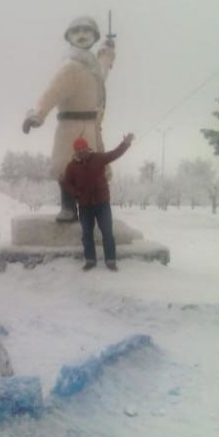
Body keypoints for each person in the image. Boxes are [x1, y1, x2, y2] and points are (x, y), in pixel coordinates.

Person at [22, 16, 116, 222]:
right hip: (69, 125)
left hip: (91, 125)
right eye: (76, 32)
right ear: (69, 38)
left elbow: (101, 73)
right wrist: (38, 115)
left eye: (87, 31)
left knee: (91, 168)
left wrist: (107, 54)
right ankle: (68, 207)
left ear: (95, 36)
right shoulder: (70, 67)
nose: (82, 35)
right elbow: (52, 93)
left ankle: (89, 208)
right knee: (66, 166)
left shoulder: (90, 66)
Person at [62, 133, 135, 271]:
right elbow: (67, 183)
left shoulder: (98, 158)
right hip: (85, 206)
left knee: (107, 232)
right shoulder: (71, 166)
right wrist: (77, 193)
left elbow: (115, 154)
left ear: (87, 147)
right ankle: (90, 260)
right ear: (75, 151)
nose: (81, 150)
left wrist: (125, 143)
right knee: (87, 234)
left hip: (102, 204)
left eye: (83, 147)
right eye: (78, 148)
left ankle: (110, 260)